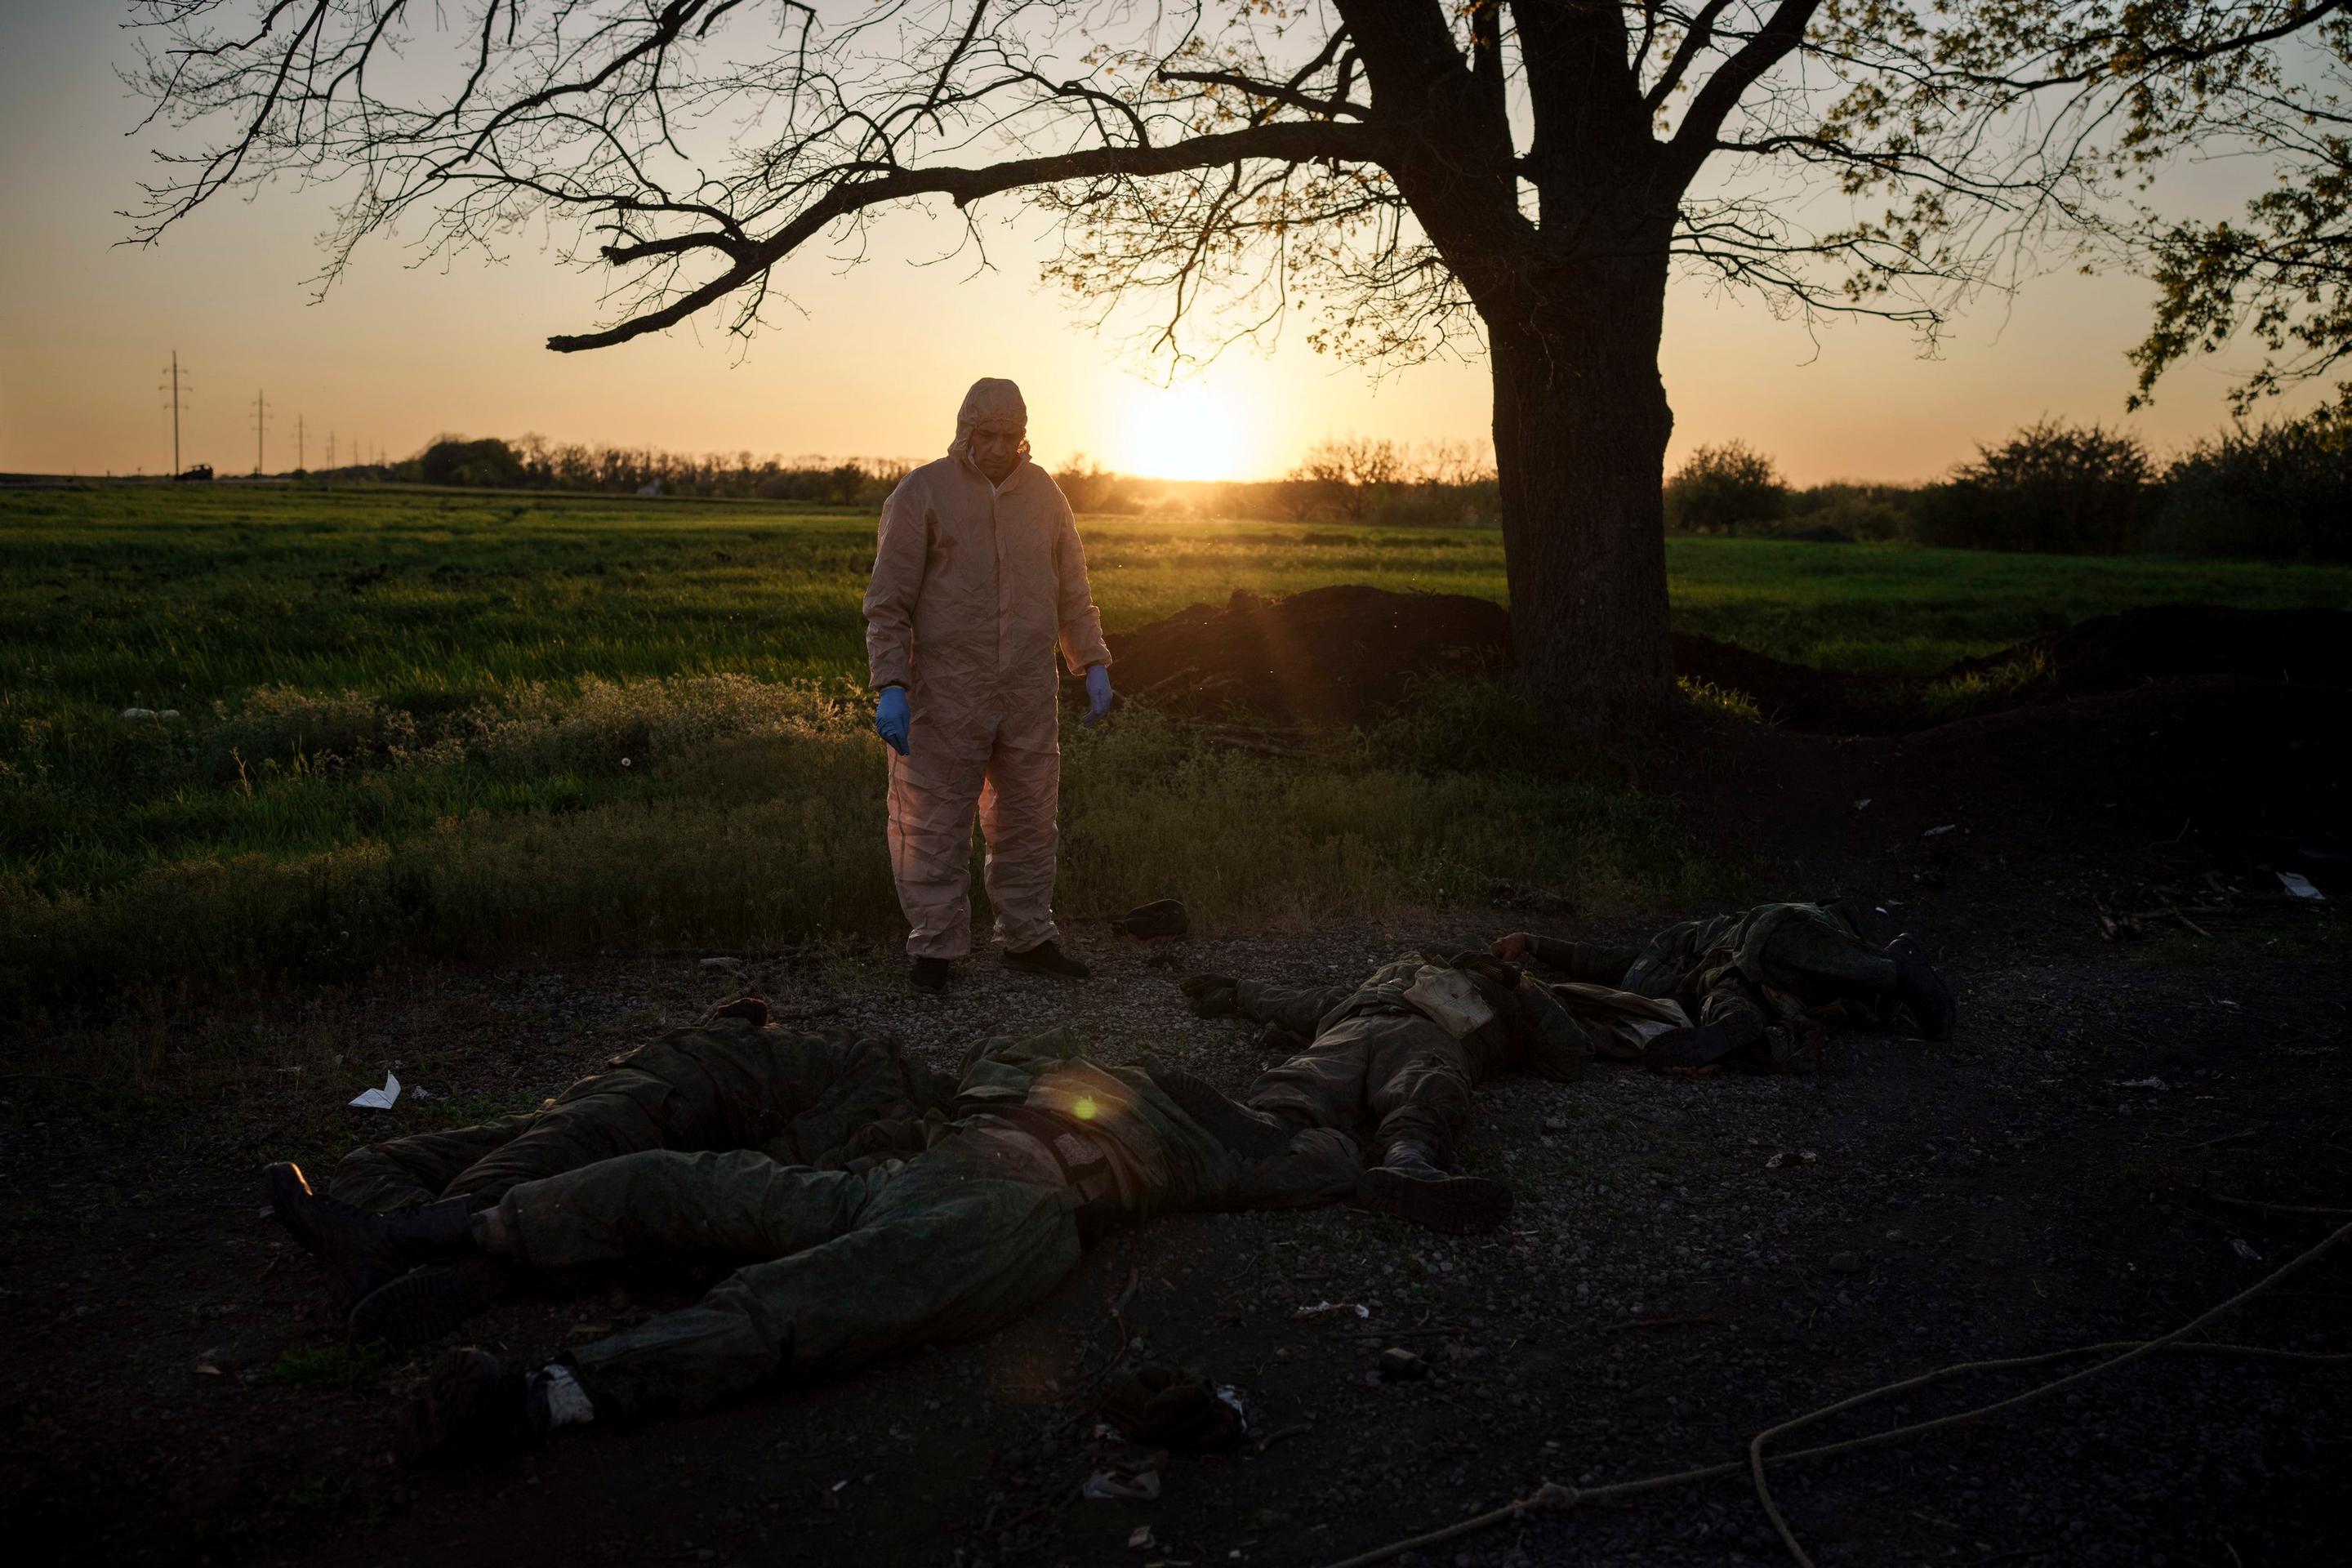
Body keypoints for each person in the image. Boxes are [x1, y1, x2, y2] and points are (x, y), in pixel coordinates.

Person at [267, 1029, 1357, 1459]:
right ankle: (425, 1233)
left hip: (1010, 1218)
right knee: (675, 1184)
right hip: (922, 1178)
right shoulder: (1059, 1078)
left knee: (795, 1307)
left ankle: (542, 1395)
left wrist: (1362, 1142)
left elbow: (1312, 1165)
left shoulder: (1198, 1138)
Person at [265, 1004, 956, 1345]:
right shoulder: (877, 1074)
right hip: (610, 1096)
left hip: (657, 1109)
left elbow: (767, 1175)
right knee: (374, 1163)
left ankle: (409, 1254)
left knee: (485, 1192)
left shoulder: (888, 1093)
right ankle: (421, 1256)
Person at [863, 377, 1113, 993]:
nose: (1000, 448)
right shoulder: (923, 492)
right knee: (933, 818)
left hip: (1027, 689)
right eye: (988, 435)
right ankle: (935, 949)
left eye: (1011, 436)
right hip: (945, 689)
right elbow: (889, 602)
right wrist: (891, 682)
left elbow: (1072, 589)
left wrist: (1091, 661)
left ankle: (1028, 939)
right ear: (965, 430)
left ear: (1024, 434)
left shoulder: (1045, 495)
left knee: (1028, 816)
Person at [1157, 946, 1600, 1235]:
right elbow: (1306, 1003)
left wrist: (1519, 984)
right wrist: (1240, 990)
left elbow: (1570, 1056)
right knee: (1309, 1072)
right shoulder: (1388, 978)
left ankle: (1409, 1162)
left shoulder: (1503, 995)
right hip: (1356, 1021)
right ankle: (1270, 1123)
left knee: (1426, 1083)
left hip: (1434, 1033)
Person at [1491, 899, 1957, 1075]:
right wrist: (1530, 945)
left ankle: (1897, 971)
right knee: (1722, 995)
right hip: (1733, 979)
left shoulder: (1693, 935)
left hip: (1760, 938)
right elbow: (1595, 963)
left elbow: (1592, 956)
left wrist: (1532, 941)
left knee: (1769, 947)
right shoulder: (1663, 975)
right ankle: (1738, 1030)